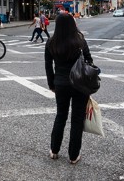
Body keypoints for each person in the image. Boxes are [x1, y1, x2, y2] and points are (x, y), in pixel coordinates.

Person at [44, 13, 92, 164]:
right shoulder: (79, 40)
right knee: (77, 119)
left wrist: (51, 84)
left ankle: (54, 150)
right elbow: (89, 60)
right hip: (79, 84)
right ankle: (73, 155)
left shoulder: (51, 42)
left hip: (61, 83)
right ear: (73, 24)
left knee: (61, 116)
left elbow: (48, 66)